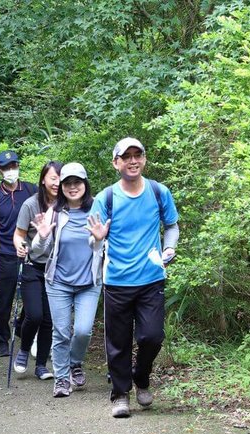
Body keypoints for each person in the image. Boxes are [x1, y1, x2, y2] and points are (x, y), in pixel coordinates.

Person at [89, 137, 179, 418]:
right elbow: (92, 243)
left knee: (152, 336)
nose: (132, 161)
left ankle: (141, 376)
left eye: (137, 155)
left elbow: (172, 226)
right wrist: (98, 239)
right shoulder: (106, 198)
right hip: (116, 280)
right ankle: (120, 394)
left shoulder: (158, 191)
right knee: (118, 342)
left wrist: (170, 247)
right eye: (125, 156)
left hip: (151, 278)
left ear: (144, 159)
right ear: (116, 163)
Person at [30, 162, 106, 398]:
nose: (73, 187)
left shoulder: (97, 210)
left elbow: (98, 246)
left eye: (77, 182)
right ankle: (61, 379)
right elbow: (38, 251)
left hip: (89, 281)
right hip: (59, 282)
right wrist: (42, 237)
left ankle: (75, 363)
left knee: (83, 331)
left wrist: (98, 239)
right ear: (61, 186)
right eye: (68, 183)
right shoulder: (54, 212)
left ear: (85, 184)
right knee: (61, 332)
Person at [0, 150, 37, 357]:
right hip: (5, 253)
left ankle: (21, 326)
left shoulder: (30, 190)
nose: (11, 170)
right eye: (6, 167)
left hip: (31, 251)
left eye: (14, 166)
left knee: (33, 296)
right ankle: (1, 338)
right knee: (5, 298)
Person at [12, 161, 61, 380]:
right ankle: (23, 350)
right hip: (33, 266)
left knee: (50, 320)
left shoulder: (67, 205)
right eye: (53, 178)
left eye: (61, 178)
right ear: (43, 179)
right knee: (34, 315)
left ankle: (41, 365)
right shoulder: (31, 205)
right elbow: (19, 234)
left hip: (57, 269)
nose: (57, 183)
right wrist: (19, 247)